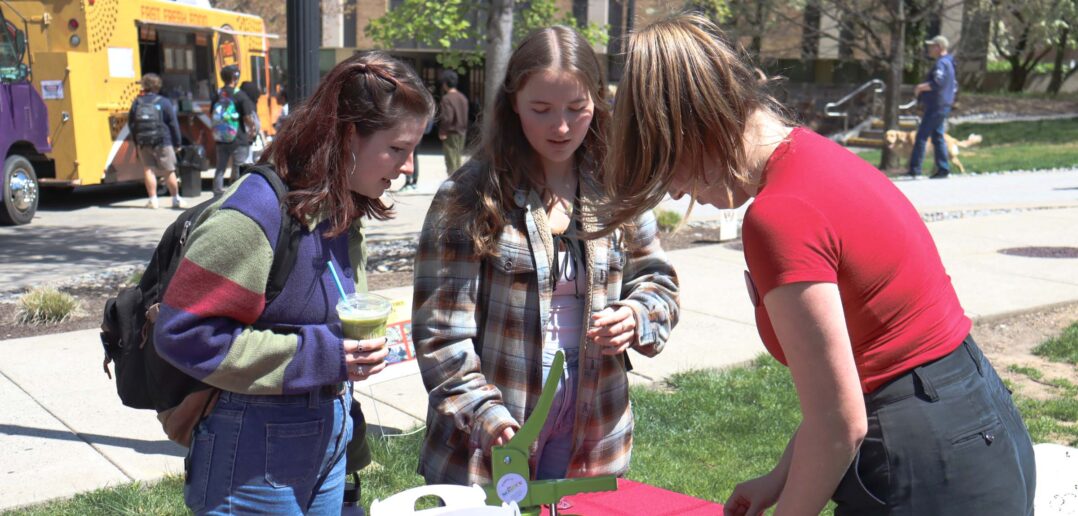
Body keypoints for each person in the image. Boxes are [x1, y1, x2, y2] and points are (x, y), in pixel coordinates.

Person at [600, 14, 1034, 515]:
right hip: (977, 422)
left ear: (697, 126)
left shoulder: (778, 217)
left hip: (930, 456)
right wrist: (779, 478)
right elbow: (859, 373)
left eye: (665, 163)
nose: (673, 189)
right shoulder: (818, 158)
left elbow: (839, 423)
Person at [154, 52, 434, 514]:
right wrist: (324, 354)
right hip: (252, 450)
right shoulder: (256, 214)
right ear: (349, 137)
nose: (408, 166)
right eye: (398, 149)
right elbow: (182, 333)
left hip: (326, 436)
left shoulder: (341, 209)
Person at [412, 26, 680, 486]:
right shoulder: (469, 194)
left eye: (577, 109)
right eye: (542, 109)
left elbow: (658, 282)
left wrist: (637, 314)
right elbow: (440, 333)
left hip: (594, 420)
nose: (561, 127)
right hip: (497, 423)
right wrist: (484, 414)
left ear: (598, 101)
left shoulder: (619, 187)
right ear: (513, 103)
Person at [128, 73, 184, 209]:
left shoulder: (137, 102)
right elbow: (173, 123)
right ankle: (175, 199)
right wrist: (177, 143)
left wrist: (136, 142)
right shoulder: (164, 102)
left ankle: (153, 200)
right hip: (162, 140)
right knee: (169, 170)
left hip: (143, 142)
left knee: (148, 169)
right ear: (157, 86)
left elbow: (132, 124)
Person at [910, 35, 957, 179]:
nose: (930, 49)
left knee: (922, 136)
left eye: (932, 46)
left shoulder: (941, 64)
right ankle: (943, 168)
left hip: (936, 105)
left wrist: (920, 87)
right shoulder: (950, 63)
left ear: (939, 47)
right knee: (937, 136)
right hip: (943, 104)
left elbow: (938, 82)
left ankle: (915, 169)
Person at [211, 64, 257, 195]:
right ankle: (236, 194)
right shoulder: (240, 95)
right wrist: (252, 129)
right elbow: (248, 117)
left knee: (220, 167)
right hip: (238, 137)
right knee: (239, 166)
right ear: (235, 77)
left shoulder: (218, 94)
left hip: (221, 137)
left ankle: (217, 192)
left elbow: (212, 114)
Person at [437, 69, 468, 174]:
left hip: (451, 133)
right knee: (458, 159)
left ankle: (453, 186)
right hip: (462, 133)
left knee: (451, 161)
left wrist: (442, 131)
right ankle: (460, 184)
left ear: (445, 84)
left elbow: (447, 117)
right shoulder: (463, 98)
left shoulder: (447, 99)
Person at [239, 80, 264, 163]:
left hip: (244, 139)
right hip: (249, 139)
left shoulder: (242, 101)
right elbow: (251, 120)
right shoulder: (249, 104)